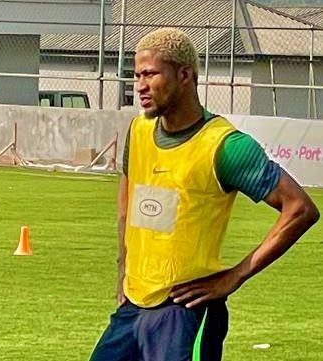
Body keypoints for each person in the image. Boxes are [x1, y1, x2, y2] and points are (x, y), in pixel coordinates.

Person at [89, 28, 320, 361]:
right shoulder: (138, 131)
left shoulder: (226, 147)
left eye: (150, 74)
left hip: (186, 312)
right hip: (133, 309)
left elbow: (300, 209)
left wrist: (234, 276)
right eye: (136, 75)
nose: (139, 85)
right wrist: (123, 269)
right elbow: (128, 198)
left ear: (184, 75)